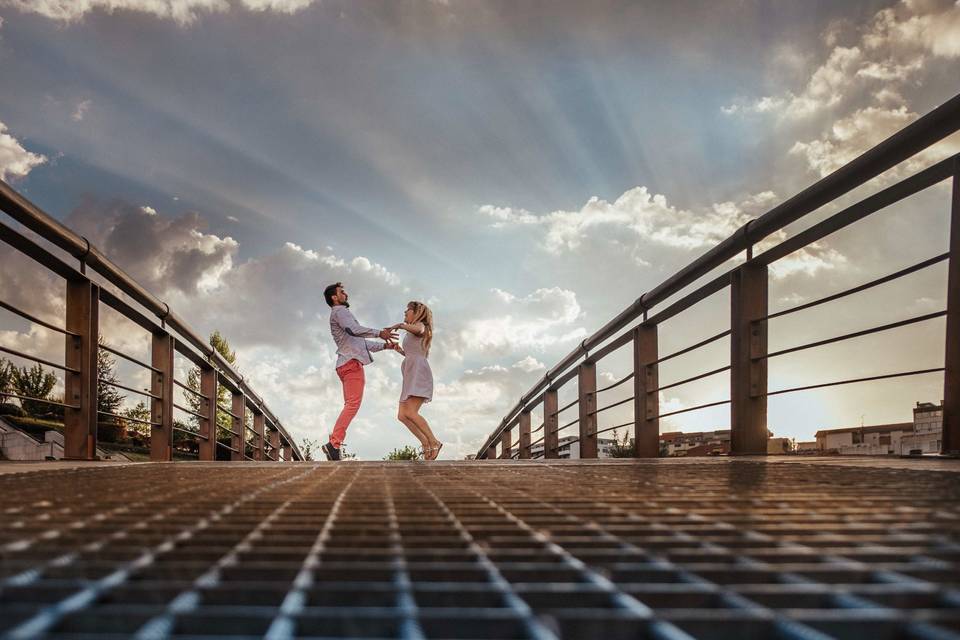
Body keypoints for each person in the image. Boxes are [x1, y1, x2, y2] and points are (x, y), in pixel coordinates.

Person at [322, 282, 397, 461]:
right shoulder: (340, 311)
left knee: (351, 404)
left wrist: (387, 346)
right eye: (341, 292)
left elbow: (362, 343)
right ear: (334, 297)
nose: (345, 294)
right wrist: (380, 333)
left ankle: (334, 444)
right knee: (352, 405)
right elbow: (354, 330)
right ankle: (334, 443)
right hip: (351, 364)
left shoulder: (341, 314)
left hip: (346, 363)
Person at [387, 301, 441, 460]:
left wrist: (401, 325)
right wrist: (400, 351)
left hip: (419, 373)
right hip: (410, 373)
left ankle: (433, 441)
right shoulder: (412, 332)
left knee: (410, 412)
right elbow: (413, 353)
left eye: (407, 311)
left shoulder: (421, 326)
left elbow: (419, 329)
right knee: (402, 415)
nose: (404, 314)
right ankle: (425, 443)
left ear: (417, 313)